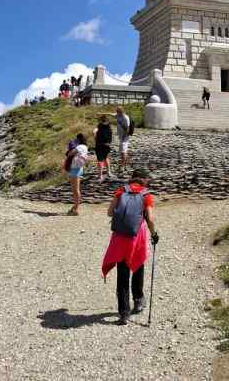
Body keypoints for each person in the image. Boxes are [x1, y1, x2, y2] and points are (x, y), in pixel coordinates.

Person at [102, 167, 159, 326]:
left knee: (122, 274)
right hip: (136, 237)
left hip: (120, 237)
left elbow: (109, 212)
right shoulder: (146, 195)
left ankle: (124, 313)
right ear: (143, 179)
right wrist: (154, 234)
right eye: (148, 179)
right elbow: (150, 219)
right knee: (138, 267)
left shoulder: (121, 191)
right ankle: (138, 300)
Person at [63, 132, 88, 215]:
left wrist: (69, 150)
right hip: (79, 167)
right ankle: (74, 207)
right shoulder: (85, 147)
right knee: (75, 189)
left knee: (75, 189)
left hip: (75, 168)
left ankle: (76, 208)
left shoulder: (80, 147)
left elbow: (70, 153)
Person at [94, 115, 113, 182]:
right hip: (107, 145)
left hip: (99, 145)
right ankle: (109, 172)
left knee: (100, 160)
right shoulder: (109, 128)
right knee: (106, 158)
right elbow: (110, 138)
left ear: (101, 120)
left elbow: (95, 137)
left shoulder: (98, 128)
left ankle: (100, 176)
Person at [116, 107, 132, 172]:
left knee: (123, 152)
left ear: (121, 111)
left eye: (117, 111)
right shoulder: (118, 115)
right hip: (121, 137)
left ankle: (122, 166)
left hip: (124, 137)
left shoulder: (126, 118)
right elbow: (111, 114)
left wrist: (124, 137)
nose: (116, 112)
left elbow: (127, 129)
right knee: (124, 151)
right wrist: (101, 113)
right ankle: (125, 165)